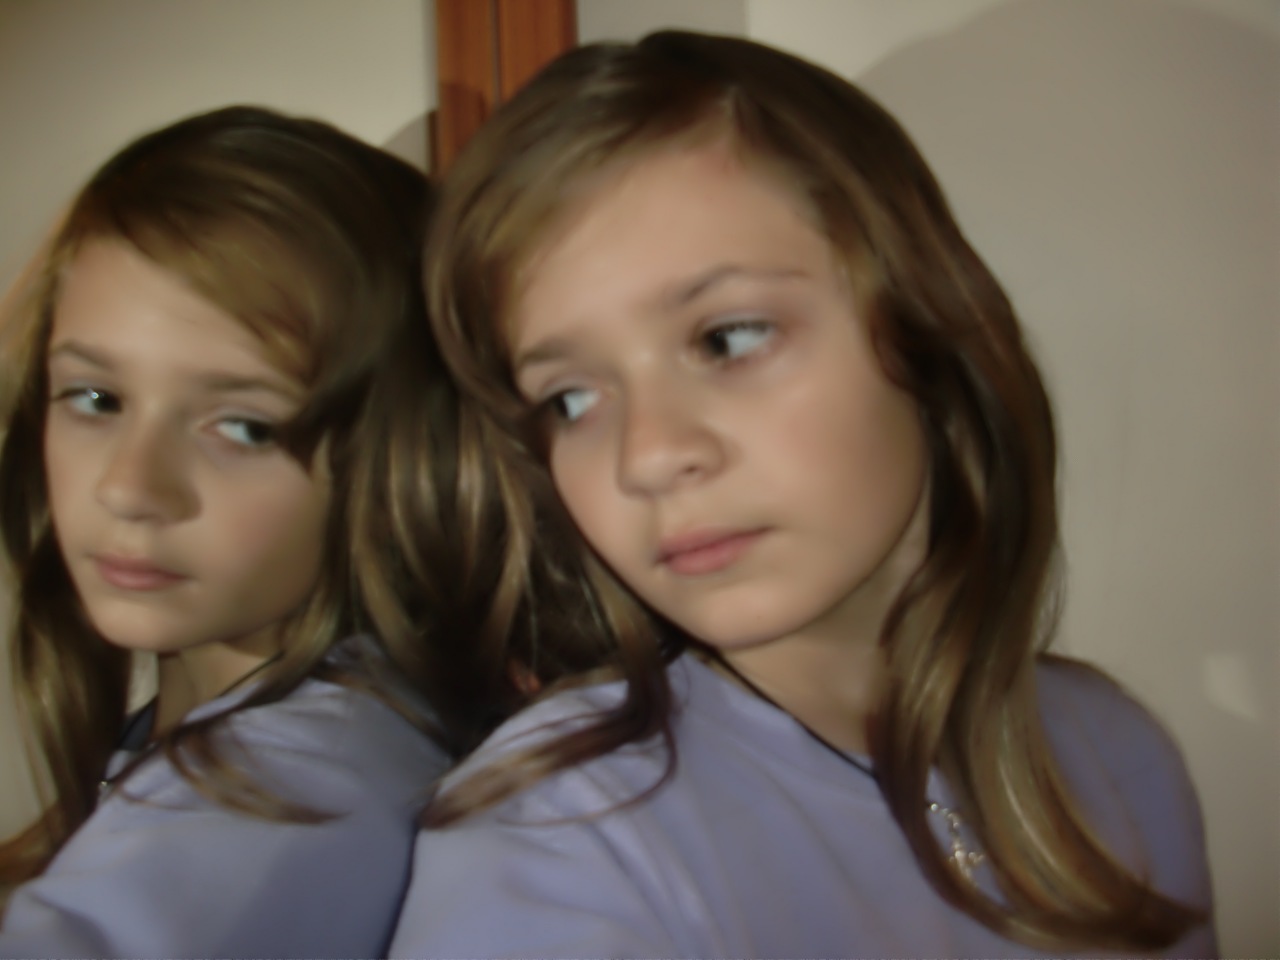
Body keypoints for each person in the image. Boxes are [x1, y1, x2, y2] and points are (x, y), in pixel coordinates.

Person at [390, 30, 1217, 959]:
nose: (648, 457)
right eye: (570, 400)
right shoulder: (562, 846)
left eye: (729, 338)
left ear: (923, 328)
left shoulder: (1115, 751)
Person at [0, 105, 460, 959]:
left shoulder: (286, 794)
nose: (129, 488)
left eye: (245, 426)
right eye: (95, 399)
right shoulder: (209, 742)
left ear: (399, 455)